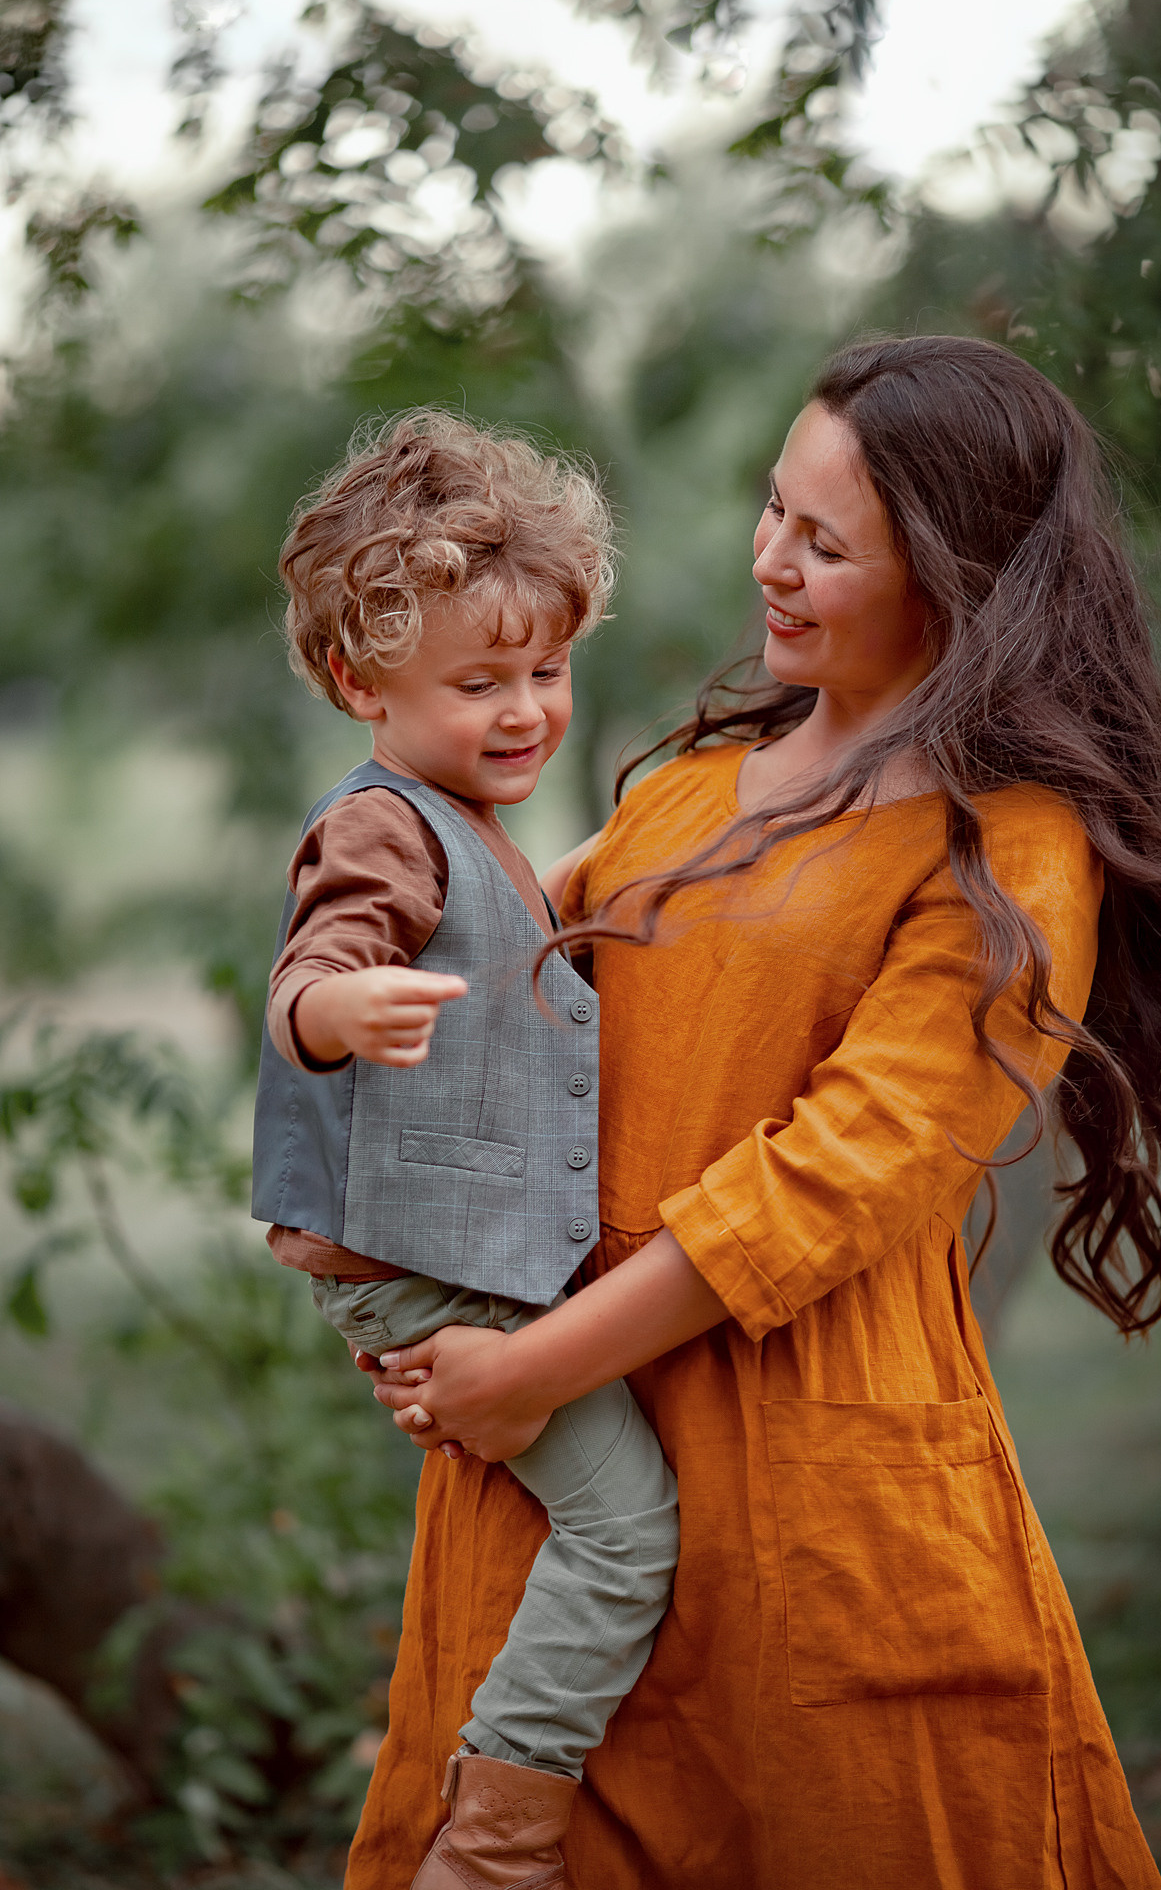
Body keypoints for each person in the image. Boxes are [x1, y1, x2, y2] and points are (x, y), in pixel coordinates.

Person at [354, 337, 1161, 1889]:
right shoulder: (693, 791)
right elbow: (489, 966)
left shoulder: (1008, 843)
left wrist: (528, 1373)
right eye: (773, 511)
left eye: (827, 542)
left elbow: (836, 1184)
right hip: (576, 1450)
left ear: (957, 575)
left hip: (805, 1479)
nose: (771, 565)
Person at [250, 411, 679, 1890]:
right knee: (627, 1531)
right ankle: (495, 1843)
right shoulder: (384, 828)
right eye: (477, 681)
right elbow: (313, 971)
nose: (523, 712)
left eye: (546, 672)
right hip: (428, 1271)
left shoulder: (467, 820)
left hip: (447, 1256)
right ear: (356, 681)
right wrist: (338, 1010)